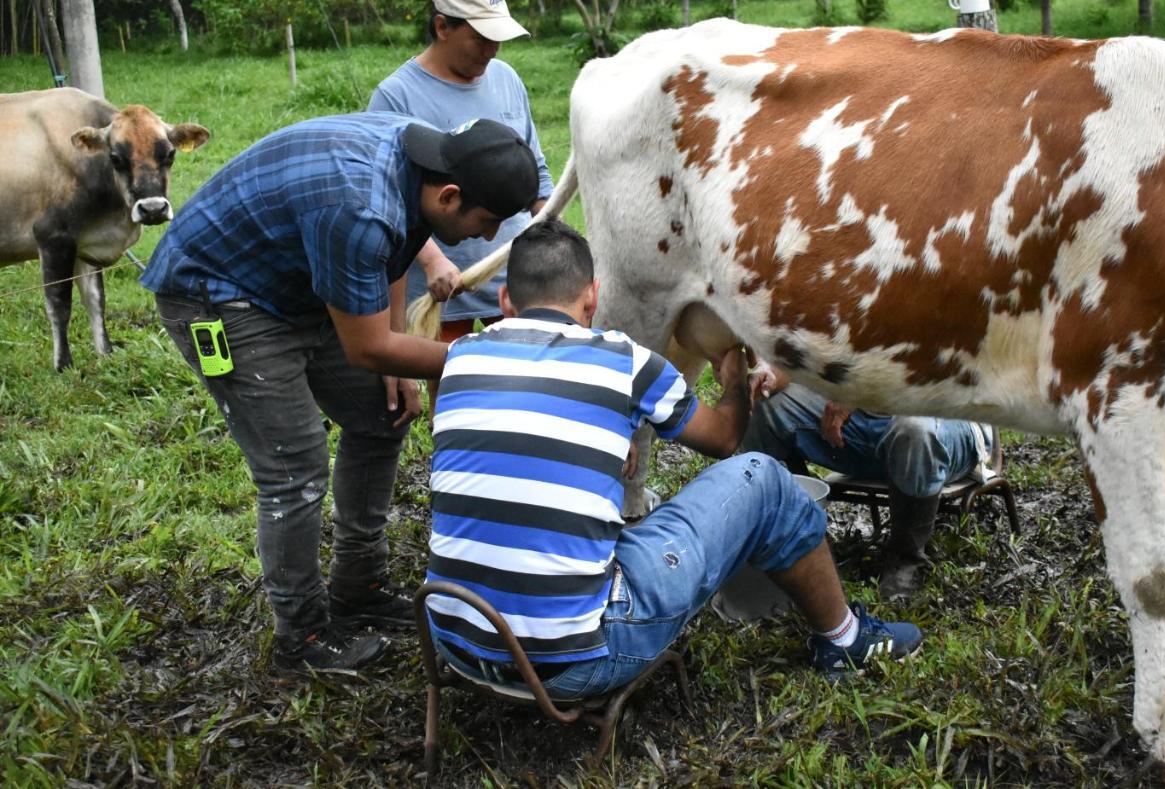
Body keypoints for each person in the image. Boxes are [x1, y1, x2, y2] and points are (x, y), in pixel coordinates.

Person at [423, 220, 922, 696]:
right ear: (593, 296)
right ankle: (844, 640)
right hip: (576, 660)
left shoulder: (462, 356)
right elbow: (725, 439)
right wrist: (731, 380)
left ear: (506, 300)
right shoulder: (620, 359)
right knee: (763, 477)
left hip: (457, 642)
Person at [141, 115, 539, 672]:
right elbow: (368, 346)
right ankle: (300, 637)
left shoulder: (422, 162)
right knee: (294, 466)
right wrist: (490, 361)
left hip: (298, 279)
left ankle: (357, 586)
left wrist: (399, 347)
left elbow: (395, 251)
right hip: (219, 292)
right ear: (450, 194)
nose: (488, 237)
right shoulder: (359, 206)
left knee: (385, 410)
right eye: (488, 220)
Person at [368, 0, 554, 366]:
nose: (492, 50)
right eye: (481, 38)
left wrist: (553, 231)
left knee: (515, 383)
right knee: (450, 386)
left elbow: (535, 169)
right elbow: (387, 200)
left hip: (509, 277)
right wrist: (433, 260)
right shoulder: (397, 95)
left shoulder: (506, 80)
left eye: (497, 40)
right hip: (441, 288)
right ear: (442, 27)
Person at [742, 372, 994, 601]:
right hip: (864, 421)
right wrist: (771, 373)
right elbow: (809, 353)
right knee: (766, 408)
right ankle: (797, 545)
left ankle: (906, 559)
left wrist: (858, 394)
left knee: (914, 429)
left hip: (944, 418)